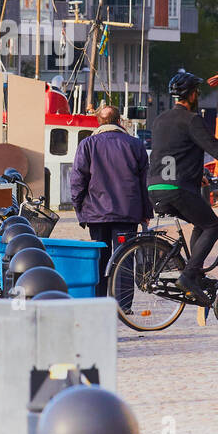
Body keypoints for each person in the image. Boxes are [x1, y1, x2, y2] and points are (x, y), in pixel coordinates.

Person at [147, 70, 218, 299]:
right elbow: (214, 147)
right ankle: (189, 275)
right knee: (214, 226)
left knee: (200, 223)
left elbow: (172, 153)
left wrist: (197, 174)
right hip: (177, 189)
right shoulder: (192, 120)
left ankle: (195, 274)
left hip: (154, 187)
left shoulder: (159, 120)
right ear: (193, 95)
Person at [68, 105, 151, 299]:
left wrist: (79, 210)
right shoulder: (135, 144)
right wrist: (146, 212)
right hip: (127, 212)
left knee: (99, 259)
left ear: (99, 122)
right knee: (125, 258)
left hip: (96, 214)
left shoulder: (87, 144)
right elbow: (144, 182)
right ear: (119, 121)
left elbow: (78, 180)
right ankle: (123, 305)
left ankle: (99, 301)